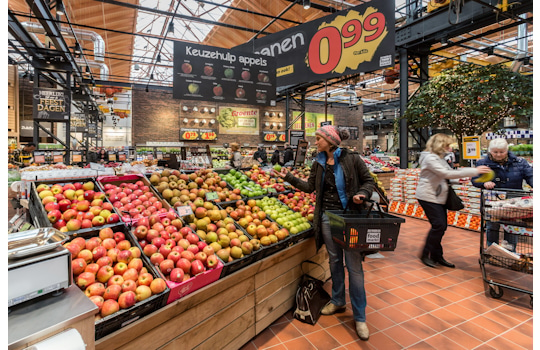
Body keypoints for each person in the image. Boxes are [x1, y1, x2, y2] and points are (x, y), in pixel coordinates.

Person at [273, 125, 375, 341]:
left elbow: (368, 181)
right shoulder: (318, 162)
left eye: (318, 138)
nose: (315, 141)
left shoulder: (352, 158)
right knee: (335, 260)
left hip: (350, 218)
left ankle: (360, 316)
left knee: (354, 266)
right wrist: (289, 178)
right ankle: (338, 301)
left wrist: (362, 194)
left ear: (330, 141)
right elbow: (310, 187)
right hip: (327, 218)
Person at [416, 133, 492, 268]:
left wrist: (459, 180)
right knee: (439, 225)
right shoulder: (430, 158)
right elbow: (446, 174)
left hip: (438, 195)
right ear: (440, 144)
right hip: (428, 196)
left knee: (440, 226)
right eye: (447, 145)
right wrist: (474, 171)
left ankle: (437, 256)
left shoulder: (439, 158)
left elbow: (446, 175)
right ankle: (425, 254)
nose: (449, 148)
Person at [471, 138, 533, 251]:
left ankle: (510, 252)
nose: (498, 154)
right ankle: (492, 251)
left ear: (507, 150)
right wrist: (484, 183)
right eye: (495, 152)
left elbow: (530, 176)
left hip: (514, 204)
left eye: (502, 151)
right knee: (492, 227)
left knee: (512, 228)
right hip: (493, 202)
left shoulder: (520, 162)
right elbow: (475, 180)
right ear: (490, 151)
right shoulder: (482, 163)